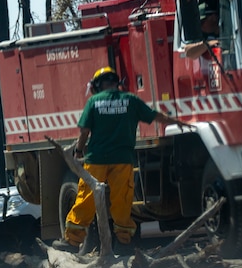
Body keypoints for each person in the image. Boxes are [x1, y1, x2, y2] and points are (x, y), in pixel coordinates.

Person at [56, 66, 193, 251]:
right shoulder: (130, 100)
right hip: (123, 159)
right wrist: (177, 122)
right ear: (116, 83)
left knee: (86, 199)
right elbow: (154, 116)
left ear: (97, 85)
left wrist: (78, 151)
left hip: (97, 160)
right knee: (122, 201)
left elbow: (84, 131)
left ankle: (72, 241)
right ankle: (124, 242)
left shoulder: (94, 102)